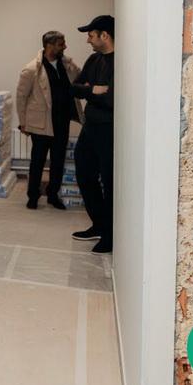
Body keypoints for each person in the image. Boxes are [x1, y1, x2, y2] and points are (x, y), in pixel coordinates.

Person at [16, 31, 83, 210]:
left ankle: (53, 195)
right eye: (61, 44)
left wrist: (70, 62)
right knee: (37, 162)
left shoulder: (66, 65)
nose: (65, 46)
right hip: (41, 124)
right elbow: (21, 97)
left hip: (62, 121)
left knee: (58, 161)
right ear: (49, 45)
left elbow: (80, 77)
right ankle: (33, 196)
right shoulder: (32, 69)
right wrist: (23, 122)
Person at [70, 15, 115, 254]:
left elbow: (111, 100)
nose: (88, 40)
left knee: (109, 181)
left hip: (109, 129)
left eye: (91, 35)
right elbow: (74, 88)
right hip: (90, 127)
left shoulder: (120, 62)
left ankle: (110, 234)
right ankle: (99, 224)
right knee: (84, 175)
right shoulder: (93, 59)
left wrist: (89, 91)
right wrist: (93, 90)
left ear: (104, 35)